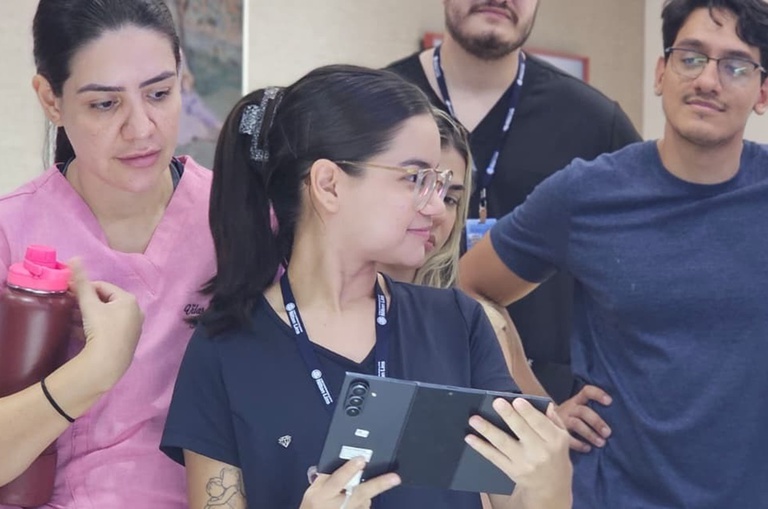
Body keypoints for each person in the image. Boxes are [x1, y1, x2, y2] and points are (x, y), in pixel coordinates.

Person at [160, 65, 572, 509]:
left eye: (438, 183)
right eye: (414, 178)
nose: (436, 207)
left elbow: (519, 493)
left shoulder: (458, 323)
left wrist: (549, 490)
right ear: (328, 184)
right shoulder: (224, 349)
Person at [458, 0, 768, 507]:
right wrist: (538, 403)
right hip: (615, 493)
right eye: (691, 57)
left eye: (736, 65)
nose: (709, 80)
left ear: (763, 92)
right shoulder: (587, 193)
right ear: (661, 72)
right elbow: (470, 286)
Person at [0, 0, 215, 506]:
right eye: (104, 103)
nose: (142, 128)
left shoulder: (240, 220)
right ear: (51, 100)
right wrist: (93, 372)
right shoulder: (11, 229)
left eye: (159, 93)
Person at [387, 0, 641, 410]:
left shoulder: (595, 123)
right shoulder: (374, 109)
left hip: (548, 402)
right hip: (398, 385)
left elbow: (648, 270)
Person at [380, 111, 547, 397]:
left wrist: (555, 427)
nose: (436, 212)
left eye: (450, 198)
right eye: (418, 185)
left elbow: (538, 424)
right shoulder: (309, 310)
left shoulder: (476, 320)